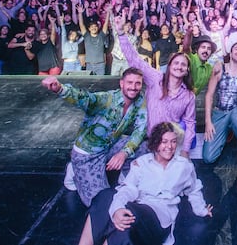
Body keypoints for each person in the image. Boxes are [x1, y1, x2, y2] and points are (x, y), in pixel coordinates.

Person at [79, 122, 213, 245]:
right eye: (164, 142)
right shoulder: (141, 163)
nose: (169, 146)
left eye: (173, 142)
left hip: (159, 219)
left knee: (129, 218)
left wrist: (201, 210)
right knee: (106, 195)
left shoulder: (183, 166)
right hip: (138, 207)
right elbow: (128, 188)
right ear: (155, 143)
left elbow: (194, 188)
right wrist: (117, 209)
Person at [41, 68, 147, 206]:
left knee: (146, 146)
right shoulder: (106, 99)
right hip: (87, 154)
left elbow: (140, 129)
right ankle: (74, 169)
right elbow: (84, 98)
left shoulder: (140, 101)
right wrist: (60, 89)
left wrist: (124, 153)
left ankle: (125, 179)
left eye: (137, 83)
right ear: (121, 84)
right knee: (101, 203)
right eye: (130, 82)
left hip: (109, 146)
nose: (133, 87)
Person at [116, 31, 197, 157]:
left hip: (169, 145)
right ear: (169, 66)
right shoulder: (156, 78)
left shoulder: (188, 96)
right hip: (147, 140)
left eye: (183, 65)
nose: (179, 66)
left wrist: (185, 150)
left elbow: (190, 123)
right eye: (176, 63)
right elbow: (135, 60)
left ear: (187, 71)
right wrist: (121, 35)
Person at [77, 3, 110, 75]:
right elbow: (81, 25)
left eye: (95, 26)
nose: (93, 28)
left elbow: (106, 24)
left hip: (100, 65)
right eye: (91, 27)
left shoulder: (101, 35)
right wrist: (80, 13)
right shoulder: (86, 36)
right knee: (90, 84)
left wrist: (108, 12)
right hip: (89, 65)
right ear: (89, 29)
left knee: (100, 84)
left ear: (98, 28)